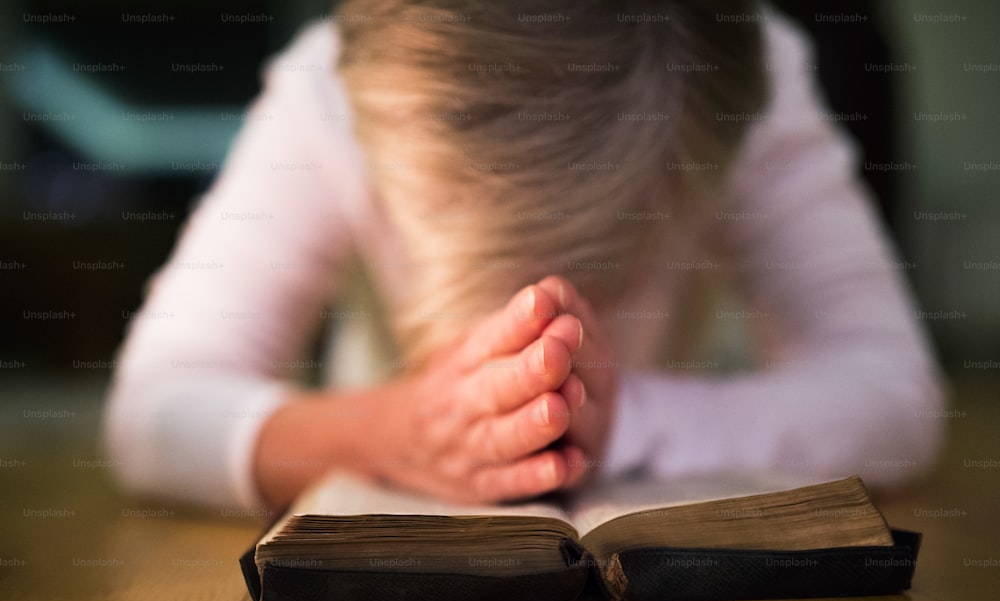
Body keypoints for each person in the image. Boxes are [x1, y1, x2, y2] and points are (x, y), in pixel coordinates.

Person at [104, 0, 945, 511]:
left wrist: (631, 424)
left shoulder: (748, 80)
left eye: (607, 276)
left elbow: (894, 393)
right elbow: (153, 407)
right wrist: (393, 433)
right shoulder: (331, 88)